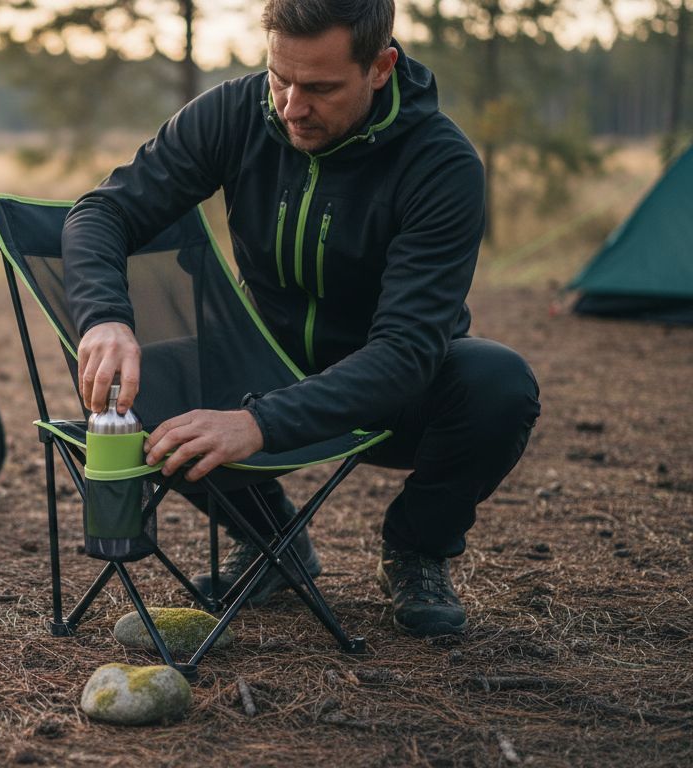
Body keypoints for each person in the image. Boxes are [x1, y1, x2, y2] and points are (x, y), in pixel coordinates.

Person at [61, 0, 540, 637]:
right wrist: (104, 319)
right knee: (126, 379)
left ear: (380, 68)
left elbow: (405, 352)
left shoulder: (440, 164)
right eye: (279, 78)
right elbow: (101, 212)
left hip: (390, 392)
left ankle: (417, 547)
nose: (291, 107)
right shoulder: (234, 113)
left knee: (498, 384)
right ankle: (270, 543)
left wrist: (259, 423)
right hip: (260, 365)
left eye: (320, 88)